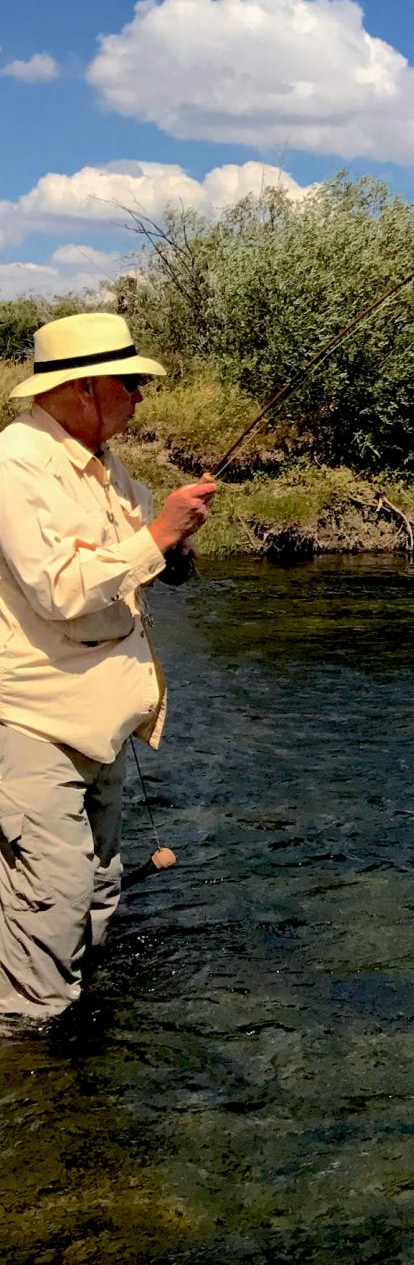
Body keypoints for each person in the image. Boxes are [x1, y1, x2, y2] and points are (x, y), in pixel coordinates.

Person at [0, 312, 216, 1021]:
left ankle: (70, 1027)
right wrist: (158, 534)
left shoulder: (106, 467)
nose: (141, 396)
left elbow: (139, 564)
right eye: (129, 382)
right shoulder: (14, 467)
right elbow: (60, 590)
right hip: (31, 721)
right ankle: (27, 1042)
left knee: (96, 889)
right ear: (85, 387)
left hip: (102, 724)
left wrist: (174, 548)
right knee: (51, 897)